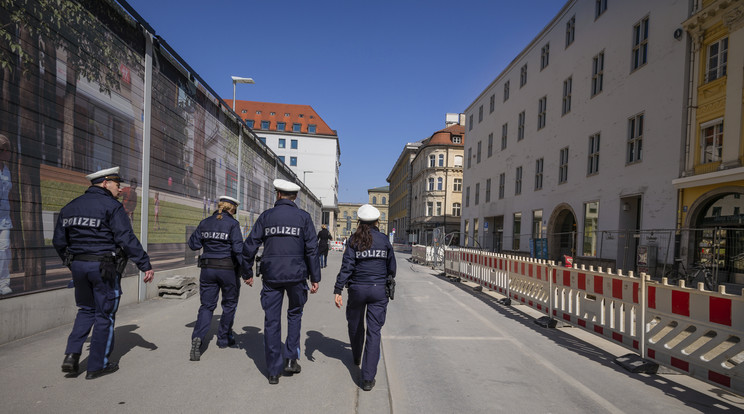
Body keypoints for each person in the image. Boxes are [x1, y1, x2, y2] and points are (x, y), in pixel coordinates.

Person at [52, 167, 154, 380]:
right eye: (118, 185)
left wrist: (71, 262)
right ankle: (97, 365)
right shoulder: (112, 207)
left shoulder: (71, 207)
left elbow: (59, 241)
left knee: (85, 310)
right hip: (104, 268)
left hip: (79, 267)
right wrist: (145, 264)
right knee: (104, 314)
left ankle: (71, 356)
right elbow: (126, 239)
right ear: (106, 182)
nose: (120, 189)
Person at [242, 179, 321, 384]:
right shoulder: (304, 218)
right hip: (296, 275)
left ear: (277, 195)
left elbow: (250, 245)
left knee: (272, 320)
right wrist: (315, 278)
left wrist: (246, 272)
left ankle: (274, 371)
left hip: (271, 276)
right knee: (294, 315)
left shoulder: (266, 217)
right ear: (295, 197)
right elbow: (312, 250)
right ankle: (290, 360)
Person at [334, 204, 396, 392]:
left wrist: (337, 289)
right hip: (378, 291)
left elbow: (347, 266)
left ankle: (356, 356)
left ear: (359, 221)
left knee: (355, 324)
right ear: (377, 222)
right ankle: (368, 379)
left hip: (357, 289)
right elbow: (392, 267)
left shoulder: (354, 240)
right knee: (374, 332)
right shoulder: (384, 240)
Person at [188, 195, 246, 361]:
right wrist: (246, 271)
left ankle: (197, 338)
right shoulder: (233, 224)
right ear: (232, 208)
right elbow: (238, 249)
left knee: (206, 306)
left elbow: (193, 244)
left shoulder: (205, 222)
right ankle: (223, 339)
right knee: (229, 305)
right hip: (228, 270)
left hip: (207, 270)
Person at [0, 134, 12, 295]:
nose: (9, 154)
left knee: (4, 249)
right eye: (8, 150)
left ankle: (3, 283)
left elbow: (10, 195)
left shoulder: (7, 170)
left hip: (5, 218)